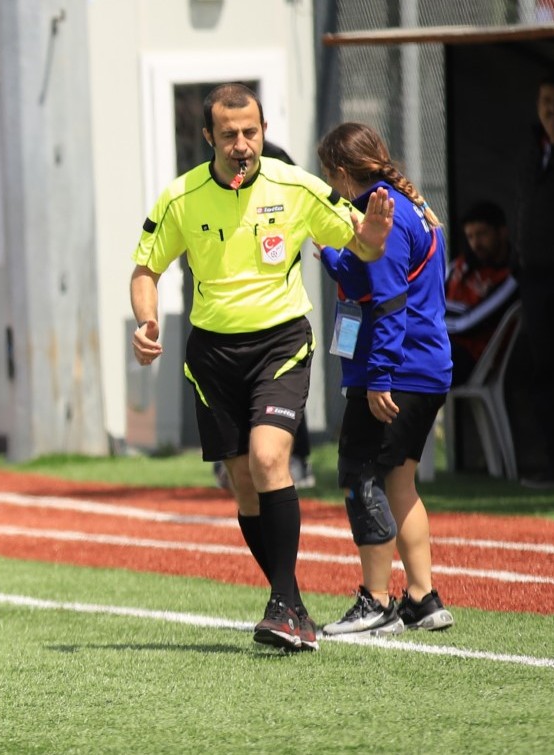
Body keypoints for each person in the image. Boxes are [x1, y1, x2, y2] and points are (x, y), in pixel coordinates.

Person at [130, 83, 394, 651]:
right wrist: (147, 321)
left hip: (280, 343)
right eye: (229, 134)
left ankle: (282, 604)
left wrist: (371, 239)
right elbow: (145, 269)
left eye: (250, 131)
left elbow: (362, 242)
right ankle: (290, 602)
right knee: (243, 485)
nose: (242, 143)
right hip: (212, 355)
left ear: (264, 130)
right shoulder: (181, 197)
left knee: (270, 457)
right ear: (209, 138)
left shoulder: (296, 187)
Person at [315, 122, 454, 638]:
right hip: (427, 365)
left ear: (343, 171)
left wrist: (379, 378)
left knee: (359, 473)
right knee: (399, 480)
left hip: (398, 368)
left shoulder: (383, 211)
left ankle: (375, 600)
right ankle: (423, 597)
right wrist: (333, 254)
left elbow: (390, 300)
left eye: (330, 174)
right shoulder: (407, 201)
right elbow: (367, 279)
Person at [211, 140, 315, 491]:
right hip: (228, 329)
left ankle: (297, 460)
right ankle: (230, 465)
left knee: (279, 396)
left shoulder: (283, 174)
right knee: (236, 403)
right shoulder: (210, 188)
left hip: (279, 330)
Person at [514, 75, 554, 489]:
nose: (549, 109)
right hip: (536, 278)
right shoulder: (532, 148)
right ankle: (549, 463)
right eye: (544, 100)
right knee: (542, 371)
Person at [445, 201, 518, 386]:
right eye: (470, 236)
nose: (475, 243)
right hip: (443, 344)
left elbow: (467, 324)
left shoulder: (509, 278)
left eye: (482, 234)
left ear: (501, 232)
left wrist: (430, 321)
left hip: (473, 360)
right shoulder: (459, 266)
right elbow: (427, 302)